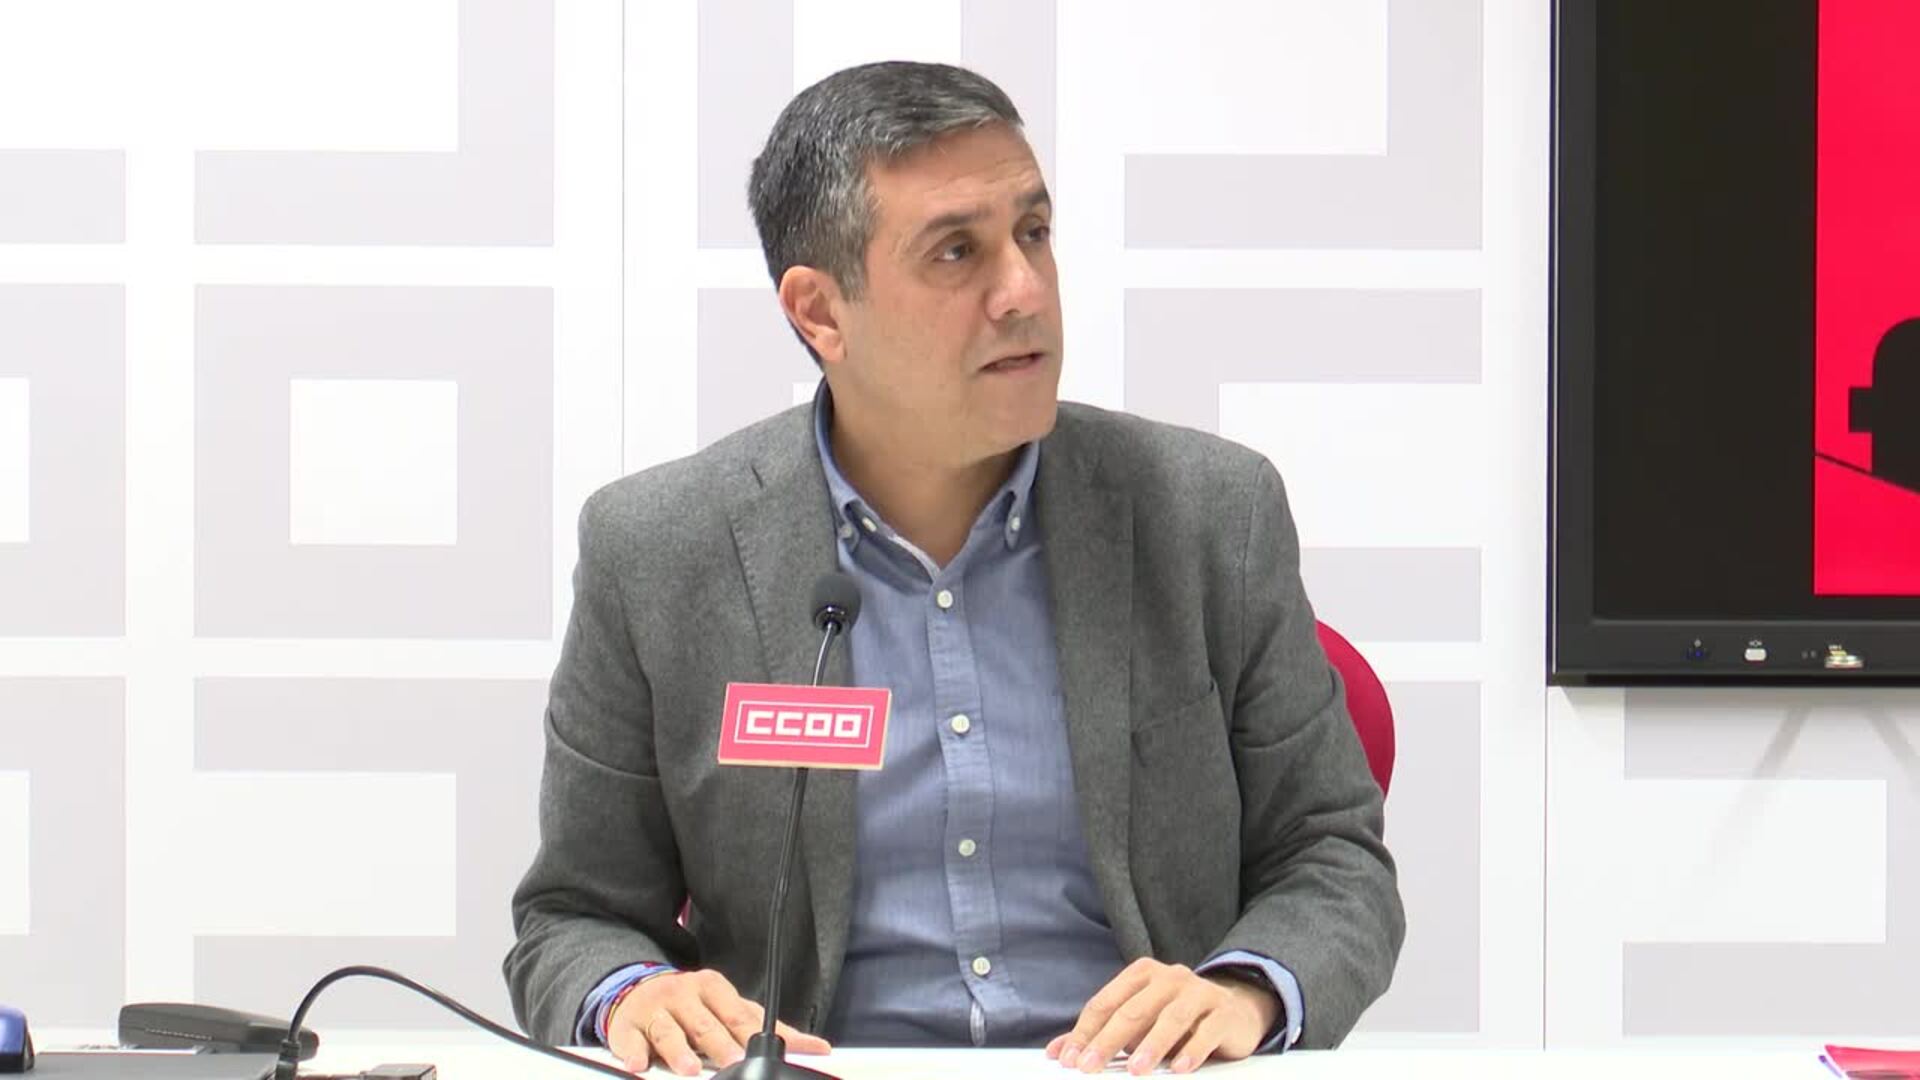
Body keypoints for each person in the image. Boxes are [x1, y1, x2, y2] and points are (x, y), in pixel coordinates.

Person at [506, 61, 1403, 1077]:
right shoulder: (658, 551)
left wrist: (1244, 989)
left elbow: (1332, 856)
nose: (1024, 291)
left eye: (1034, 233)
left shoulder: (1208, 515)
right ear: (820, 312)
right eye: (956, 252)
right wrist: (635, 993)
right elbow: (574, 915)